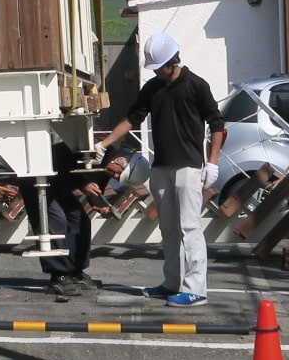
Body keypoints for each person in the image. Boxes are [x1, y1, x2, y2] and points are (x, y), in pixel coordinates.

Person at [93, 32, 226, 307]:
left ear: (172, 61)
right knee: (168, 228)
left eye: (159, 66)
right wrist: (104, 144)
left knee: (190, 227)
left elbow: (217, 125)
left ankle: (196, 289)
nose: (157, 72)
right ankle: (172, 283)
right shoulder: (154, 88)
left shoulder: (196, 86)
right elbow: (132, 118)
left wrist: (212, 162)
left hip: (189, 166)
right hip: (162, 166)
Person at [35, 140, 115, 300]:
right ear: (118, 159)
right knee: (55, 221)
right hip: (38, 175)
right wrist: (82, 183)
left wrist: (101, 207)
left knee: (81, 220)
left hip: (59, 183)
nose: (116, 176)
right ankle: (59, 276)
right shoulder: (97, 149)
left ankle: (75, 271)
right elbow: (59, 160)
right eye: (120, 173)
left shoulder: (109, 168)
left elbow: (95, 192)